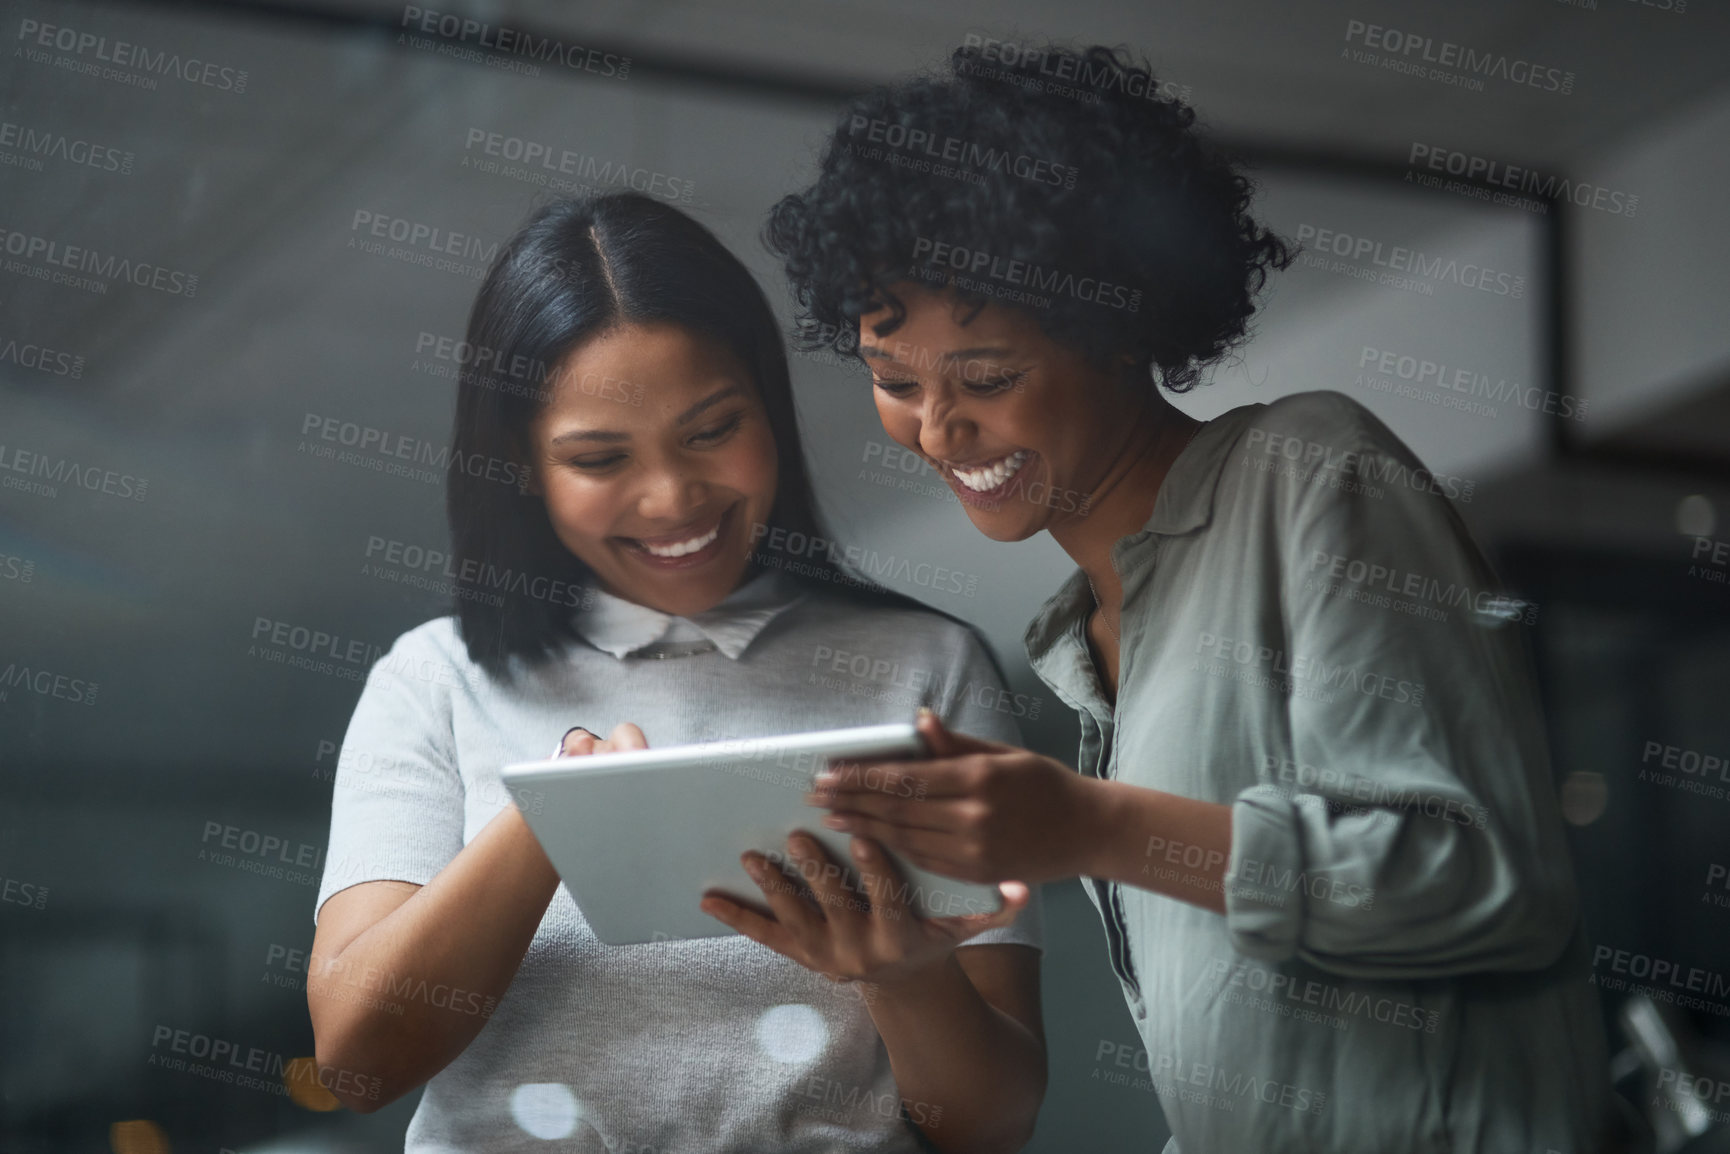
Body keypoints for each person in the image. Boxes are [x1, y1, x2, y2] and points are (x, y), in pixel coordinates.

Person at [767, 42, 1620, 1153]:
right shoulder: (1088, 643)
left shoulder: (1311, 471)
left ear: (1122, 325)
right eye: (893, 381)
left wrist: (1092, 825)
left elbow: (1482, 880)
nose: (936, 429)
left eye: (984, 379)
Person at [307, 191, 1047, 1153]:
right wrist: (553, 819)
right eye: (600, 457)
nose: (671, 499)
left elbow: (992, 1125)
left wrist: (901, 973)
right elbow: (358, 1062)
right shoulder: (432, 682)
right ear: (524, 468)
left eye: (710, 432)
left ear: (769, 410)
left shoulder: (926, 667)